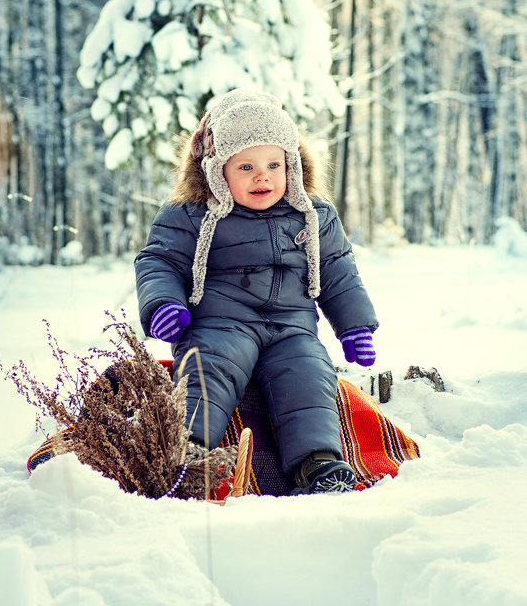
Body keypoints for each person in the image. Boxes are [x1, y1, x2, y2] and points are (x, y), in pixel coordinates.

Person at [135, 89, 379, 494]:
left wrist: (354, 326)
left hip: (291, 328)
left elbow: (339, 271)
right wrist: (164, 303)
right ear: (216, 171)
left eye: (273, 164)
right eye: (245, 166)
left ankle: (316, 464)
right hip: (221, 324)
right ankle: (188, 451)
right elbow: (159, 261)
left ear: (292, 165)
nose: (262, 176)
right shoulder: (191, 214)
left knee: (307, 373)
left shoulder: (313, 215)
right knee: (208, 366)